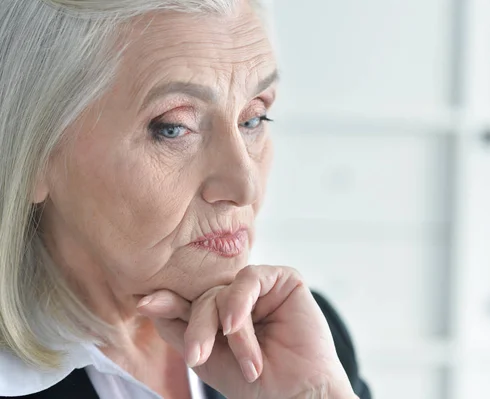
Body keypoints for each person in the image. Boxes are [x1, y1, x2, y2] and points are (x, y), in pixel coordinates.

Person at [0, 0, 371, 398]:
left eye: (253, 119)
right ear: (30, 151)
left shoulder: (303, 340)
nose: (246, 186)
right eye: (174, 129)